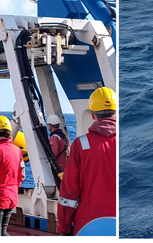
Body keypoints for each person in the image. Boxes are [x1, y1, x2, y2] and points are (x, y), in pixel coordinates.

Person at [57, 87, 117, 236]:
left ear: (92, 115)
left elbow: (68, 193)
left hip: (89, 224)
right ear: (116, 114)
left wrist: (64, 229)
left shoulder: (81, 145)